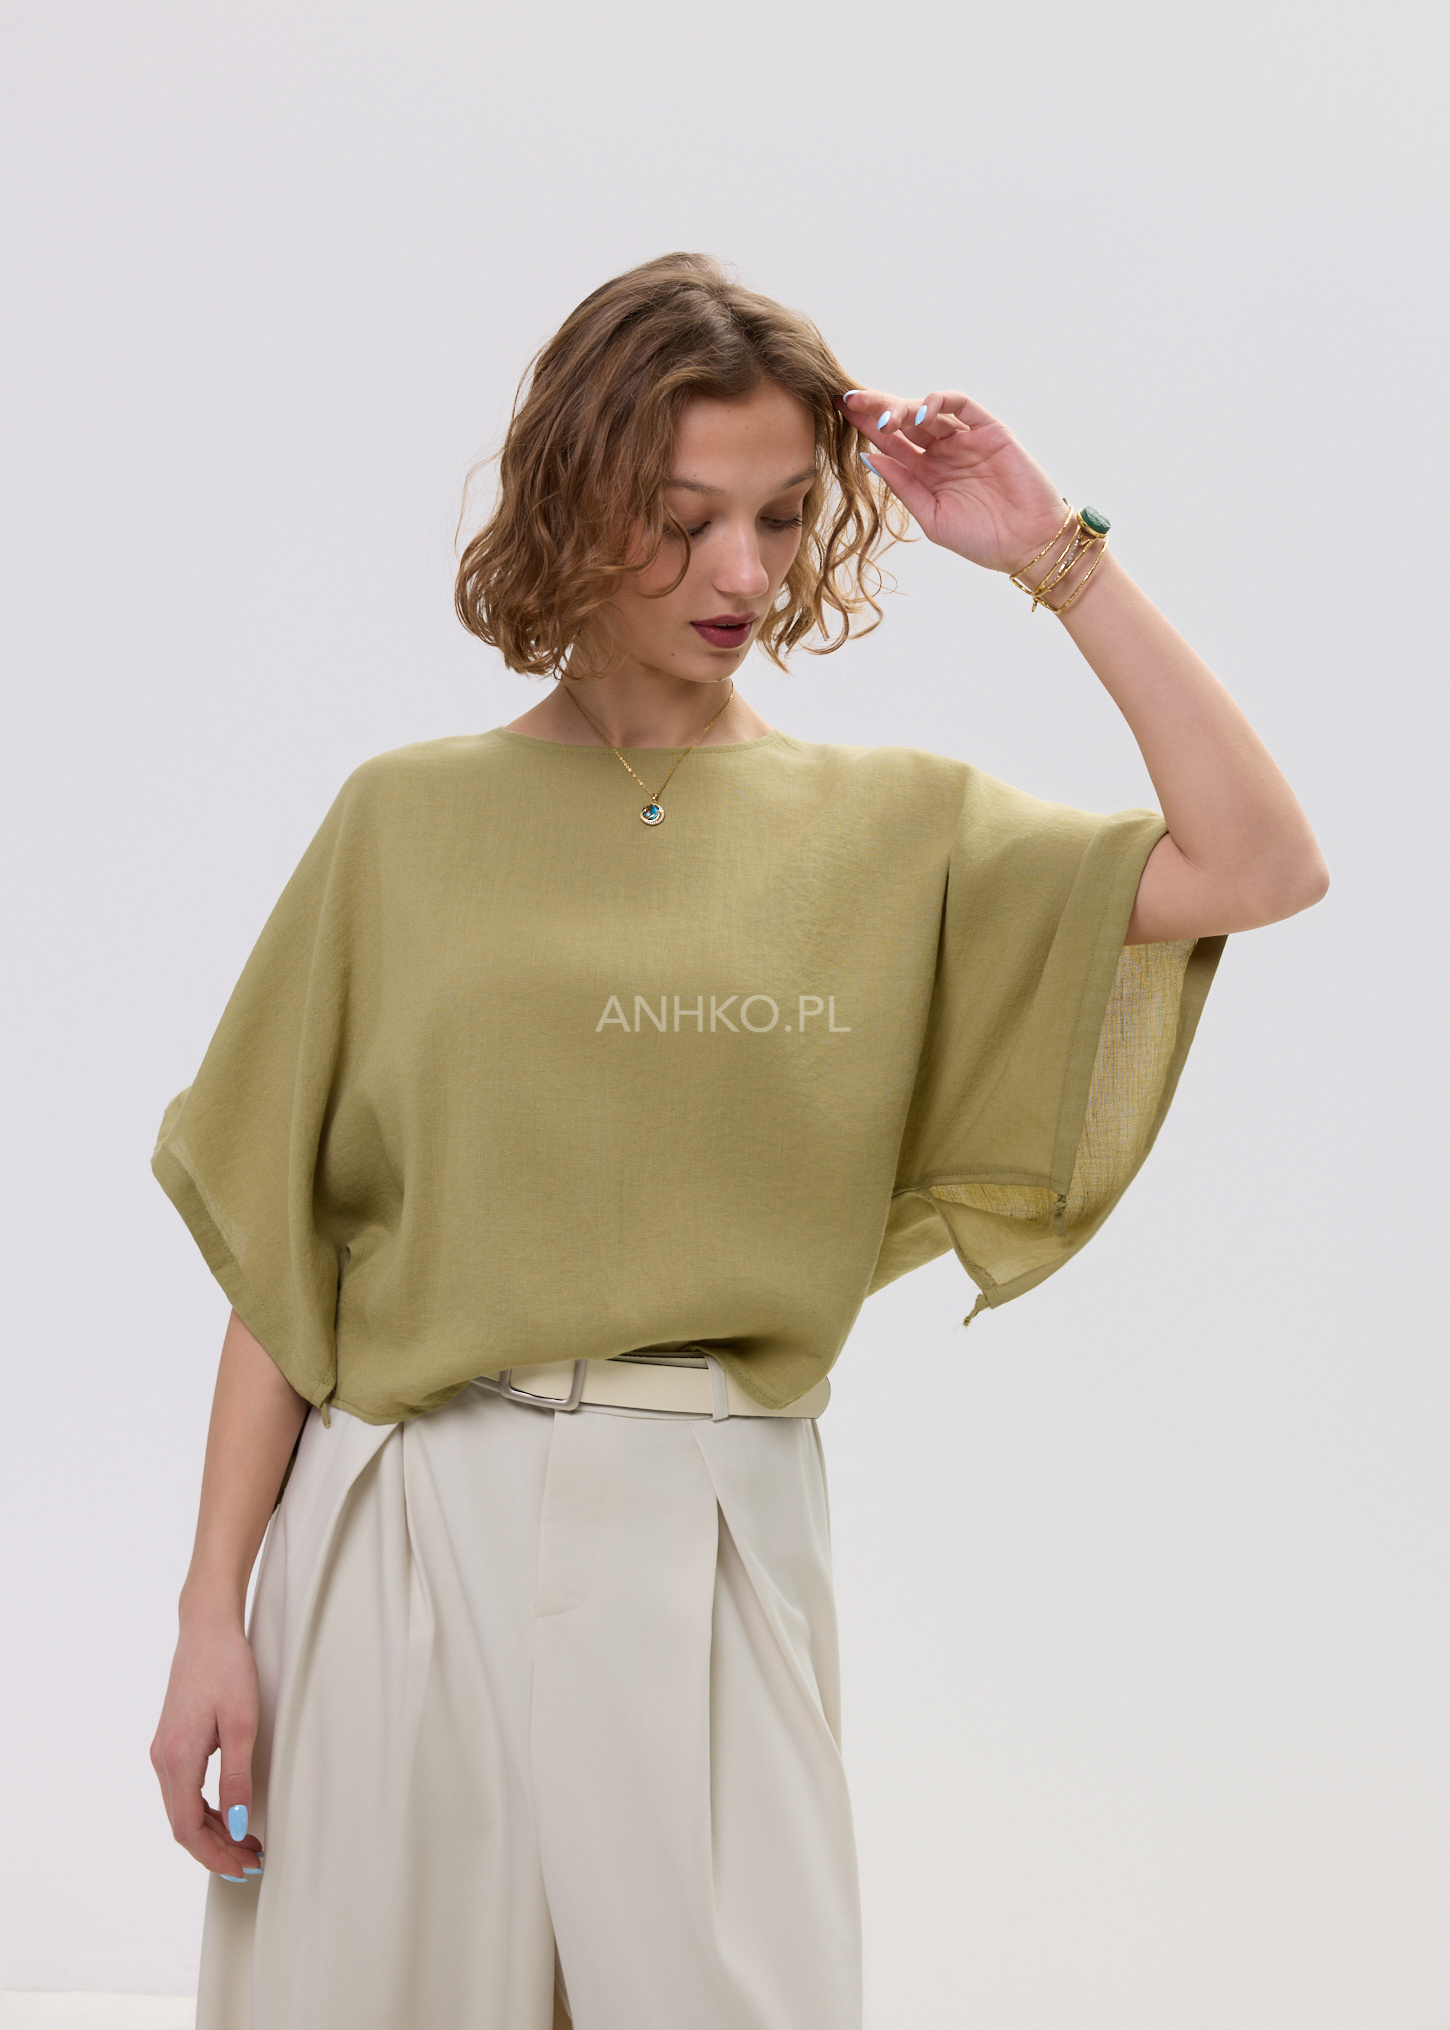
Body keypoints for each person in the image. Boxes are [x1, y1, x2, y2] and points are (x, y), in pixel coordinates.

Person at [148, 251, 1327, 2030]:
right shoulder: (402, 819)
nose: (744, 574)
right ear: (572, 498)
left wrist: (1051, 554)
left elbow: (1260, 863)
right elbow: (283, 1252)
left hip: (705, 1518)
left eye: (781, 517)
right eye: (684, 518)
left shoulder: (895, 829)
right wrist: (208, 1615)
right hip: (399, 1515)